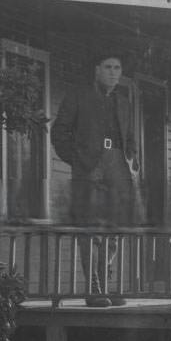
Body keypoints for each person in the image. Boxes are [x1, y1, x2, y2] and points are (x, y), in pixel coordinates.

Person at [51, 52, 138, 307]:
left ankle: (107, 286)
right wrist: (78, 161)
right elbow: (59, 133)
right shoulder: (79, 96)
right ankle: (93, 288)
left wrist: (131, 159)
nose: (113, 72)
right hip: (90, 164)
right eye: (108, 67)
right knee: (90, 228)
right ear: (97, 69)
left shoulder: (123, 102)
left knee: (114, 228)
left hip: (118, 163)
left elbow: (130, 137)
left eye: (117, 67)